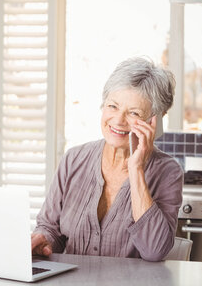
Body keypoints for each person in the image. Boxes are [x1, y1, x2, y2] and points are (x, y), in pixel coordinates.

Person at [31, 57, 183, 261]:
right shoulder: (73, 159)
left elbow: (154, 250)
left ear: (154, 120)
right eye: (112, 106)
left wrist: (136, 168)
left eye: (134, 113)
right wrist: (45, 242)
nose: (118, 120)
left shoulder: (168, 172)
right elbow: (50, 228)